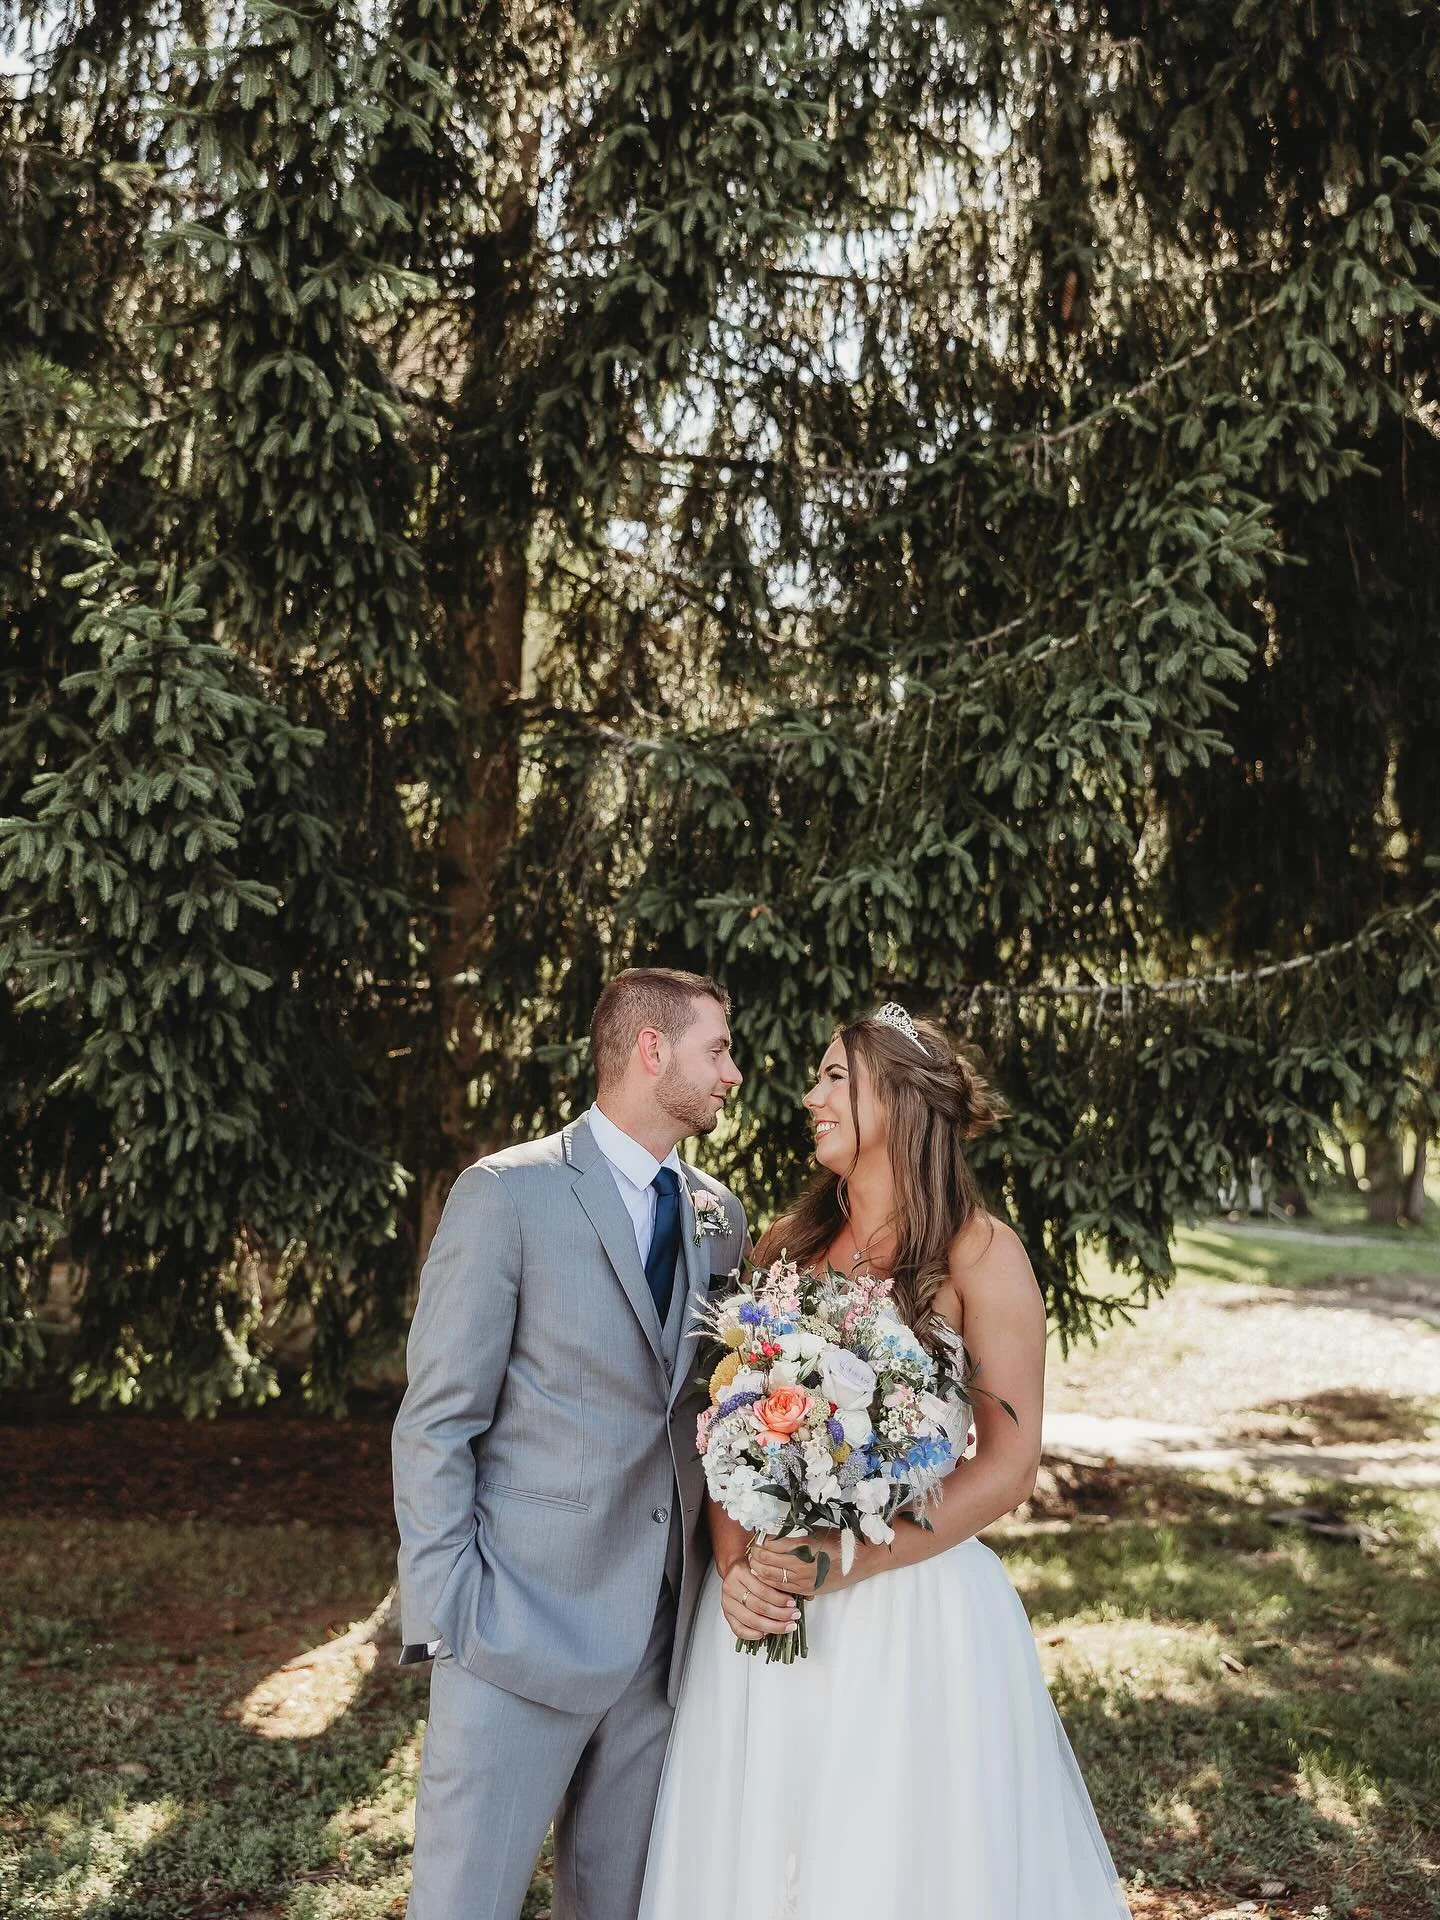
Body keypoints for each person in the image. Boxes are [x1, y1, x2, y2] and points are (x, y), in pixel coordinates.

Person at [639, 1003, 1132, 1920]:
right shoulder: (782, 1250)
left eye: (835, 1078)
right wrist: (744, 1566)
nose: (808, 1096)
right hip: (765, 1606)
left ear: (900, 1103)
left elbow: (1011, 1462)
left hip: (912, 1616)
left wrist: (846, 1557)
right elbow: (729, 1422)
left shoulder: (981, 1255)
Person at [392, 967, 747, 1920]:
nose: (734, 1073)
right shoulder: (507, 1194)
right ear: (650, 1050)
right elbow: (436, 1421)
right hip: (514, 1632)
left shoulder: (720, 1217)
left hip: (659, 1647)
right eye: (717, 1049)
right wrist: (449, 1620)